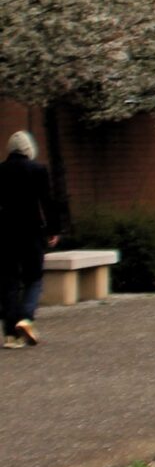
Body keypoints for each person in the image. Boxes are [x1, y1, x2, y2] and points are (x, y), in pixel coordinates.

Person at [0, 131, 57, 349]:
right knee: (34, 278)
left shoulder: (0, 171)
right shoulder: (38, 170)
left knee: (9, 281)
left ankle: (9, 335)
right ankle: (25, 318)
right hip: (31, 231)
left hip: (4, 232)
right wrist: (53, 230)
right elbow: (47, 202)